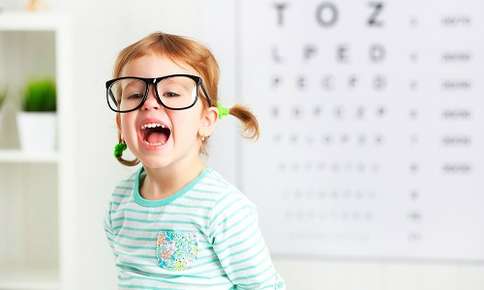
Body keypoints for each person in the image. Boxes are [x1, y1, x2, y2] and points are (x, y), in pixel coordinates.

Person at [103, 32, 286, 289]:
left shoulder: (223, 209)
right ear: (120, 124)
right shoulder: (119, 204)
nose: (150, 103)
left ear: (206, 121)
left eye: (172, 94)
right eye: (134, 95)